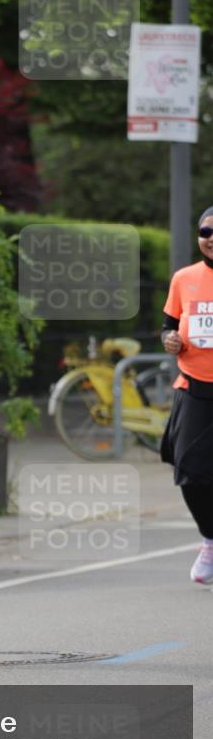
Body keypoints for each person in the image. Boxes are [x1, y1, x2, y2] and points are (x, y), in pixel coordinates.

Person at [160, 206, 213, 585]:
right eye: (205, 230)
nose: (210, 237)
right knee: (189, 471)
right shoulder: (185, 278)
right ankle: (210, 540)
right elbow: (167, 325)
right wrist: (170, 340)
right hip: (194, 388)